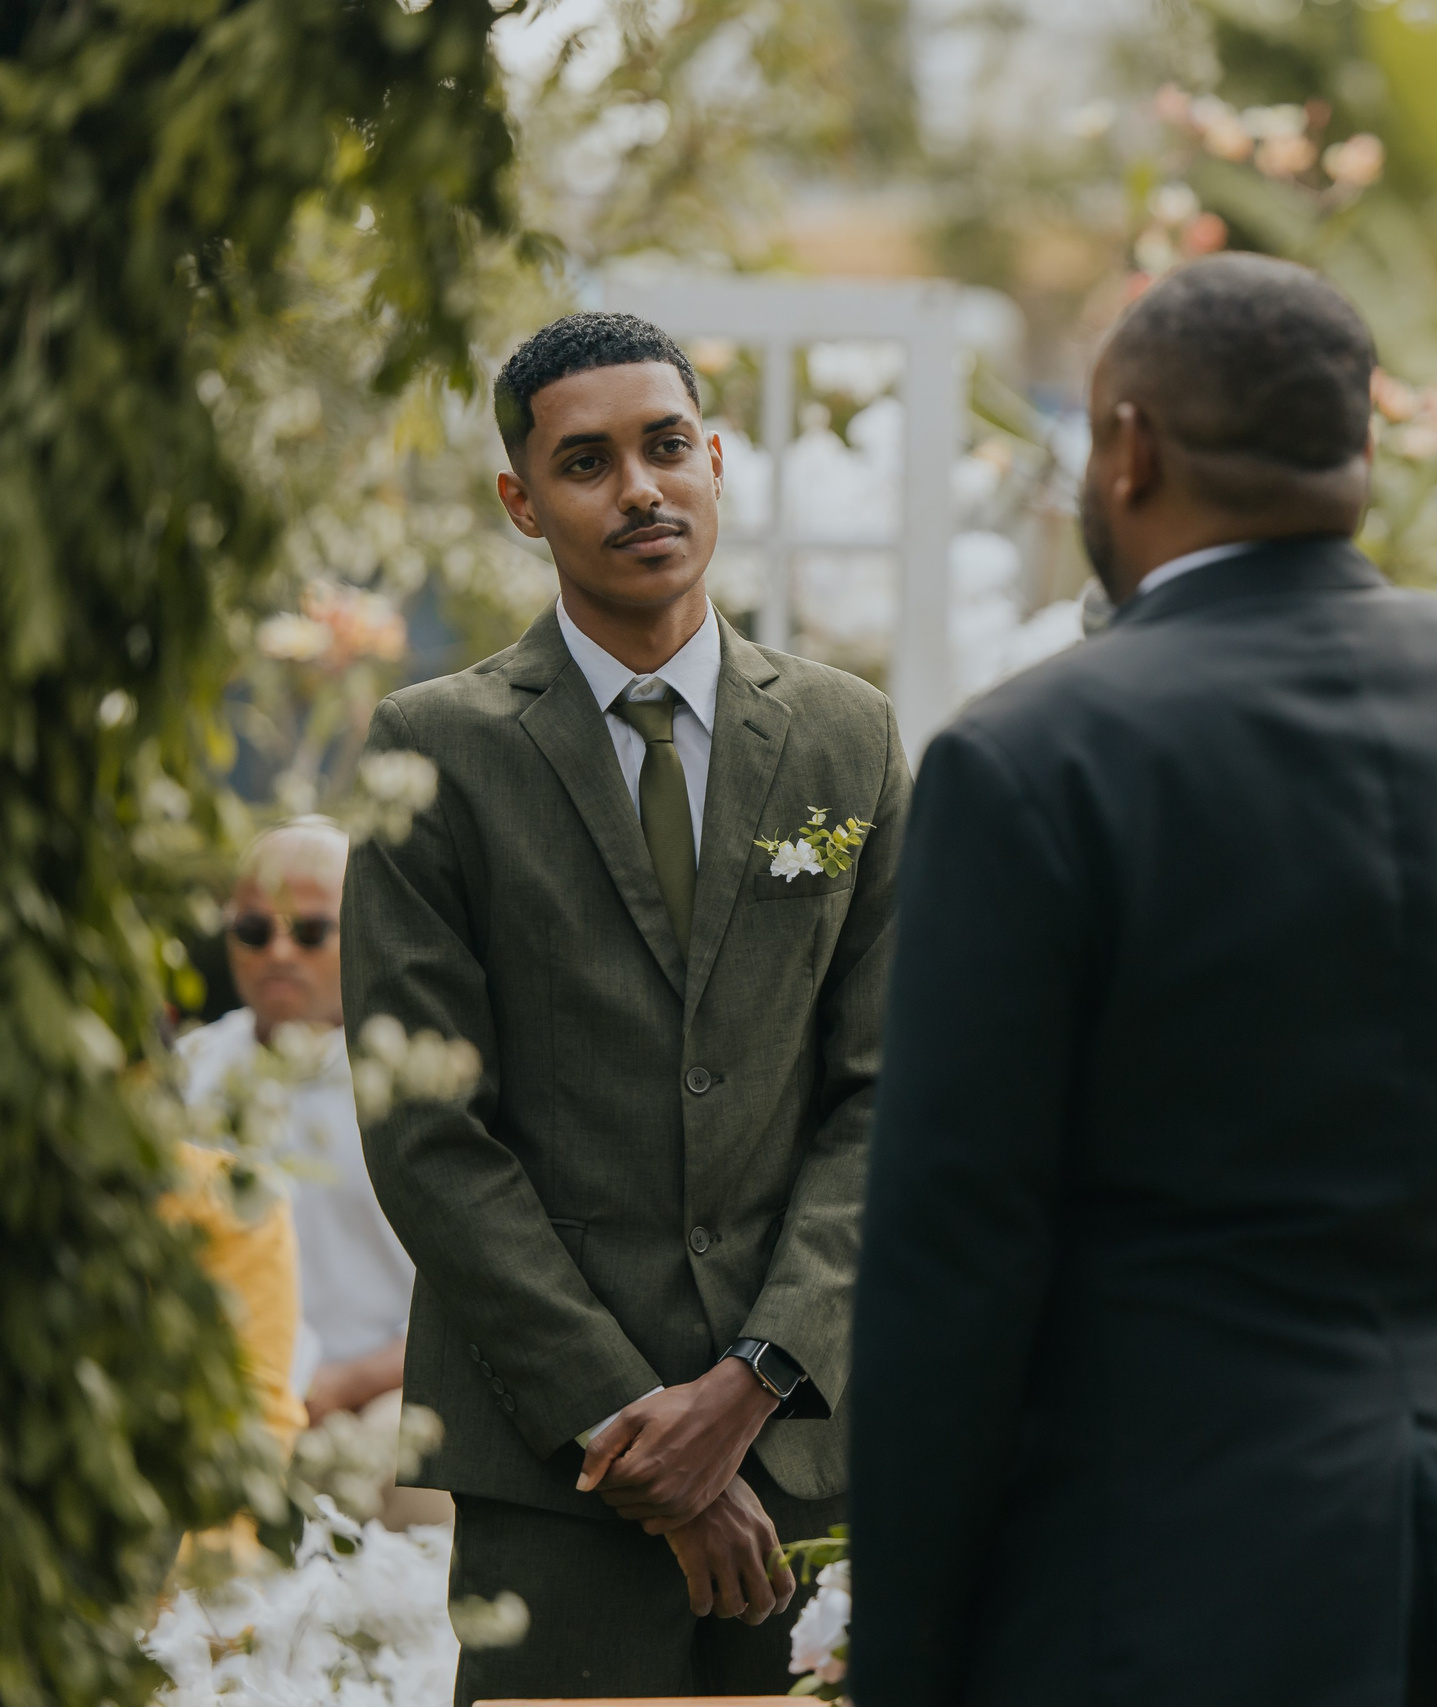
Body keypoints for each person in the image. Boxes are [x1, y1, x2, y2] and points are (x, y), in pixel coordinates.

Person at [846, 253, 1437, 1707]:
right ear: (1361, 447)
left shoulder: (1029, 756)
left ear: (1129, 446)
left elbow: (949, 1262)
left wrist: (906, 1655)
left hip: (1170, 1589)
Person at [342, 311, 907, 1701]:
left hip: (807, 1447)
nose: (640, 489)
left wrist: (750, 1381)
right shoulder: (438, 751)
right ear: (521, 502)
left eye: (666, 447)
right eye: (587, 463)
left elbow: (893, 1091)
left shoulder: (848, 733)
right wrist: (629, 1429)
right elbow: (429, 1128)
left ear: (715, 458)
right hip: (553, 1467)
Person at [179, 820, 417, 1427]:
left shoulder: (411, 1083)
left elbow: (472, 1300)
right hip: (212, 1403)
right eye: (256, 930)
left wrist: (342, 1384)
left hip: (374, 1403)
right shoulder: (187, 1073)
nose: (279, 952)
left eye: (310, 930)